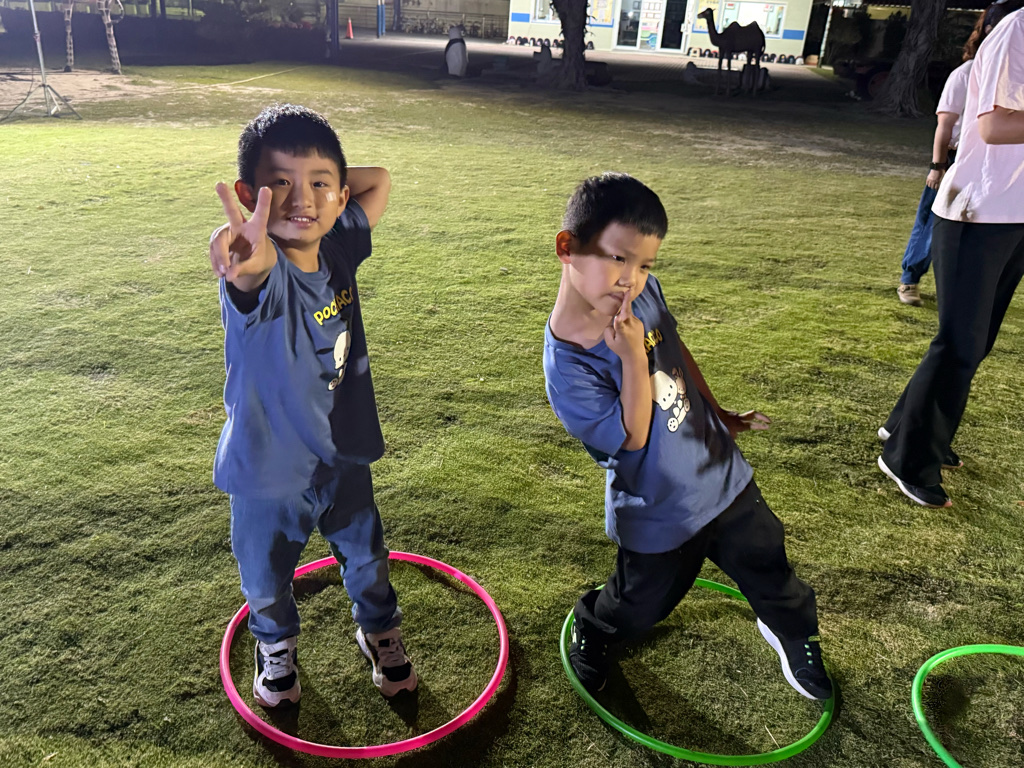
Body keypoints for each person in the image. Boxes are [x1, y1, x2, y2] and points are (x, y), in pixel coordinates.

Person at [543, 173, 833, 700]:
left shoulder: (641, 295)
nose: (631, 280)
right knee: (640, 604)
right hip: (661, 506)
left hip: (719, 469)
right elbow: (633, 439)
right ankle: (595, 627)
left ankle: (792, 631)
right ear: (568, 247)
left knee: (767, 556)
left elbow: (674, 351)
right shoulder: (568, 367)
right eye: (618, 258)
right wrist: (631, 356)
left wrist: (718, 411)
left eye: (645, 265)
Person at [206, 104, 416, 706]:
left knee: (367, 556)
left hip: (342, 453)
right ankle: (276, 647)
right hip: (269, 470)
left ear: (341, 195)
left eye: (319, 184)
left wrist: (327, 183)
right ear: (248, 195)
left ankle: (379, 631)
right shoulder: (262, 269)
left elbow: (379, 181)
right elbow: (248, 266)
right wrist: (240, 247)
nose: (301, 199)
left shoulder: (339, 243)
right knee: (266, 576)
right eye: (279, 183)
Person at [879, 5, 1024, 508]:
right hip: (976, 212)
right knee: (960, 343)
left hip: (1013, 215)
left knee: (974, 343)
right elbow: (994, 126)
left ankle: (905, 427)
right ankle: (907, 458)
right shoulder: (1017, 29)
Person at [894, 5, 1004, 307]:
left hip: (991, 163)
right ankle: (910, 279)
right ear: (987, 33)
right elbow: (944, 125)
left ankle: (965, 289)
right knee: (932, 222)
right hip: (956, 160)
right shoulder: (965, 74)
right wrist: (937, 166)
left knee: (978, 227)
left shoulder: (1009, 78)